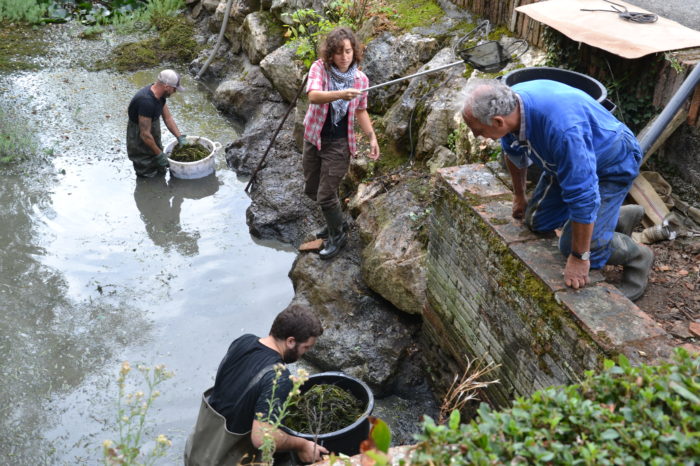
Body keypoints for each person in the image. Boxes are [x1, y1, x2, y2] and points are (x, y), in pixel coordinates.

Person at [461, 78, 653, 301]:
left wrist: (580, 257)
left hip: (612, 165)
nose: (476, 135)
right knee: (536, 222)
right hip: (563, 163)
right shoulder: (512, 108)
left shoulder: (563, 130)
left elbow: (584, 196)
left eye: (477, 130)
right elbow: (513, 152)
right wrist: (519, 195)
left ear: (497, 121)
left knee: (574, 247)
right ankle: (617, 217)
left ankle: (639, 256)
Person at [184, 304, 328, 465]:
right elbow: (261, 439)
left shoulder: (243, 342)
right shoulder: (278, 378)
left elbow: (241, 388)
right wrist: (302, 445)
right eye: (305, 347)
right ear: (291, 341)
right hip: (225, 459)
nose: (304, 353)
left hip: (198, 451)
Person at [302, 27, 380, 260]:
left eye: (348, 51)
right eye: (338, 52)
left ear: (354, 52)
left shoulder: (360, 80)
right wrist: (340, 94)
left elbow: (362, 110)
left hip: (339, 144)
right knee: (312, 188)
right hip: (314, 137)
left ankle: (338, 236)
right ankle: (335, 222)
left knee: (326, 195)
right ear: (330, 54)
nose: (344, 56)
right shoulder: (320, 69)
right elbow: (313, 95)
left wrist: (372, 137)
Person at [126, 69, 187, 178]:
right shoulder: (146, 101)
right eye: (174, 89)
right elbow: (144, 134)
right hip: (139, 139)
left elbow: (168, 118)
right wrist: (159, 154)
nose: (175, 92)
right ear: (167, 87)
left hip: (151, 132)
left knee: (160, 168)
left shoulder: (160, 95)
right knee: (147, 171)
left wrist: (180, 137)